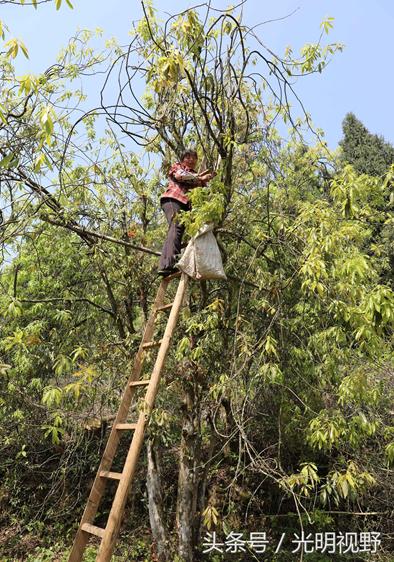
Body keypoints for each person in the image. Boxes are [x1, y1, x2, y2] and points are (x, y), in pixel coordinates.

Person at [158, 149, 216, 276]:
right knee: (176, 226)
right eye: (188, 157)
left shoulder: (197, 177)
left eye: (194, 158)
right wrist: (200, 178)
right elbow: (181, 176)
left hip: (186, 207)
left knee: (178, 230)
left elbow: (202, 194)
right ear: (183, 159)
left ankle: (169, 263)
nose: (191, 160)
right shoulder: (177, 167)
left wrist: (206, 180)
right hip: (174, 199)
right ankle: (168, 264)